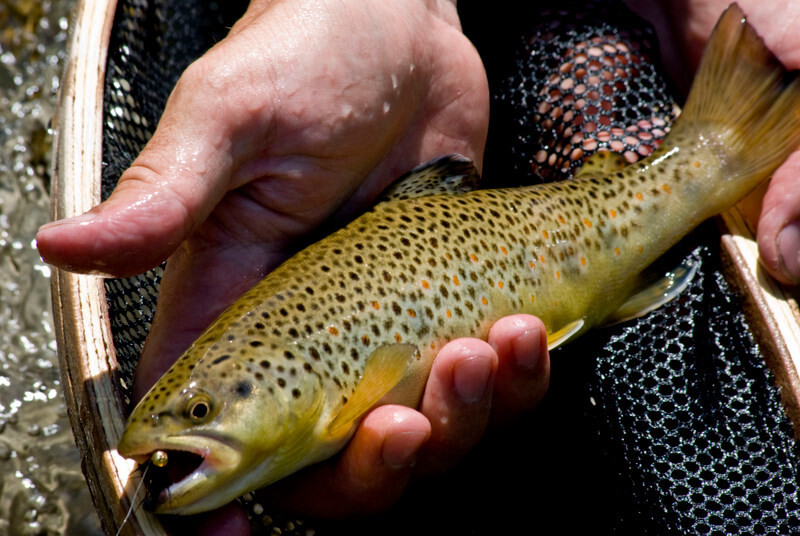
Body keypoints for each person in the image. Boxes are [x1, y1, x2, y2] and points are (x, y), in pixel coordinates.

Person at [35, 0, 800, 534]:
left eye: (203, 413)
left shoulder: (319, 399)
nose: (181, 440)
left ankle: (719, 158)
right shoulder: (292, 392)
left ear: (285, 378)